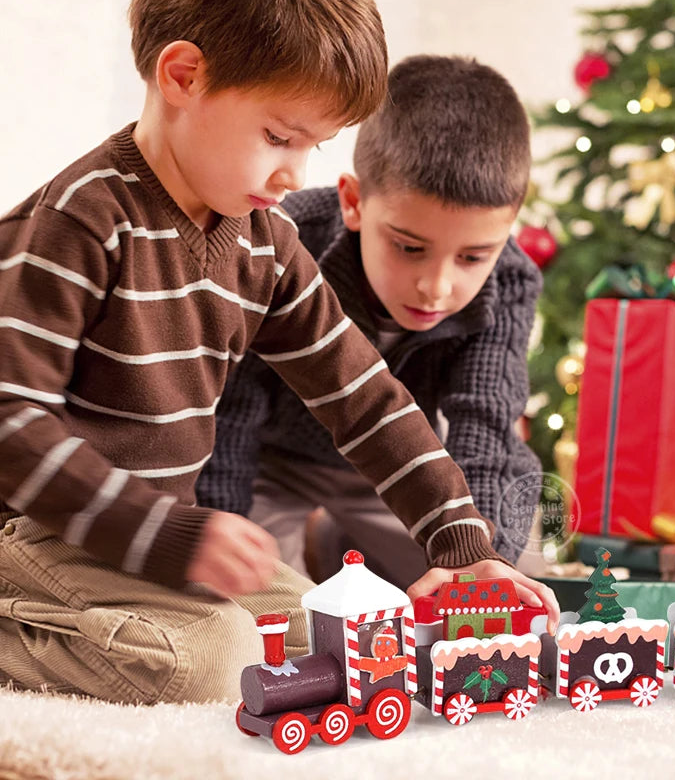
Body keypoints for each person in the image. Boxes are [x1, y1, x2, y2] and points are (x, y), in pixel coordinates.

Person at [0, 0, 557, 705]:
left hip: (150, 533)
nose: (297, 175)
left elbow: (364, 399)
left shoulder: (266, 243)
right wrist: (171, 534)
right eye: (279, 137)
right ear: (183, 77)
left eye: (313, 146)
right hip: (38, 530)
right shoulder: (81, 220)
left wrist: (464, 544)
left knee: (342, 633)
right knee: (213, 660)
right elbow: (10, 426)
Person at [197, 55, 547, 595]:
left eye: (473, 257)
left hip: (402, 471)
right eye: (409, 247)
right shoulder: (283, 240)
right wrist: (222, 523)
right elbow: (232, 414)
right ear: (354, 202)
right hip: (273, 465)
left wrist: (482, 561)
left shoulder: (512, 281)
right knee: (265, 605)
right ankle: (325, 548)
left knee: (517, 566)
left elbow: (484, 423)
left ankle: (341, 543)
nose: (436, 286)